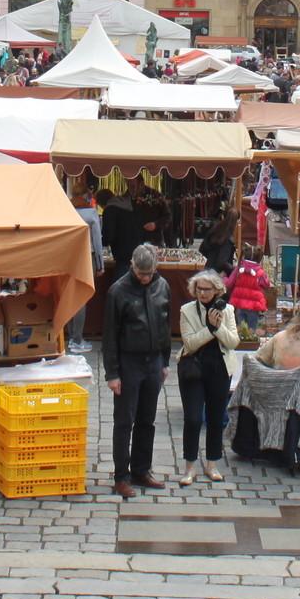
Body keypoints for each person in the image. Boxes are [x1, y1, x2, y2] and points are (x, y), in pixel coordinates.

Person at [102, 242, 170, 498]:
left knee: (147, 419)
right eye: (141, 273)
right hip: (128, 363)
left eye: (149, 274)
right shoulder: (117, 292)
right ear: (132, 266)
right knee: (124, 422)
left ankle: (142, 469)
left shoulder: (162, 286)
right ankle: (121, 476)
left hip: (153, 362)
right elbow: (109, 337)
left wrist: (164, 361)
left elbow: (165, 324)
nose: (145, 278)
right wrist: (113, 374)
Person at [177, 270, 239, 485]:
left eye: (207, 289)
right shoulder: (187, 310)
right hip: (193, 369)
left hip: (219, 369)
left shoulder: (228, 311)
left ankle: (212, 463)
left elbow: (233, 342)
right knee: (193, 418)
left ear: (217, 290)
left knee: (215, 418)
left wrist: (218, 327)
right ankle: (190, 466)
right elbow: (190, 343)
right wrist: (209, 328)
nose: (202, 293)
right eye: (199, 289)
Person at [67, 191, 104, 354]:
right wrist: (100, 264)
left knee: (70, 296)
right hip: (86, 257)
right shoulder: (91, 214)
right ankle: (77, 339)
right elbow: (97, 240)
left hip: (68, 258)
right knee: (82, 297)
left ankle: (71, 337)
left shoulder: (66, 210)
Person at [228, 247, 270, 335]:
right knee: (252, 329)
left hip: (239, 304)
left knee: (240, 328)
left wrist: (222, 279)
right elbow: (266, 284)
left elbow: (229, 282)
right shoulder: (260, 272)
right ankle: (251, 344)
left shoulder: (239, 269)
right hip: (254, 306)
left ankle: (240, 344)